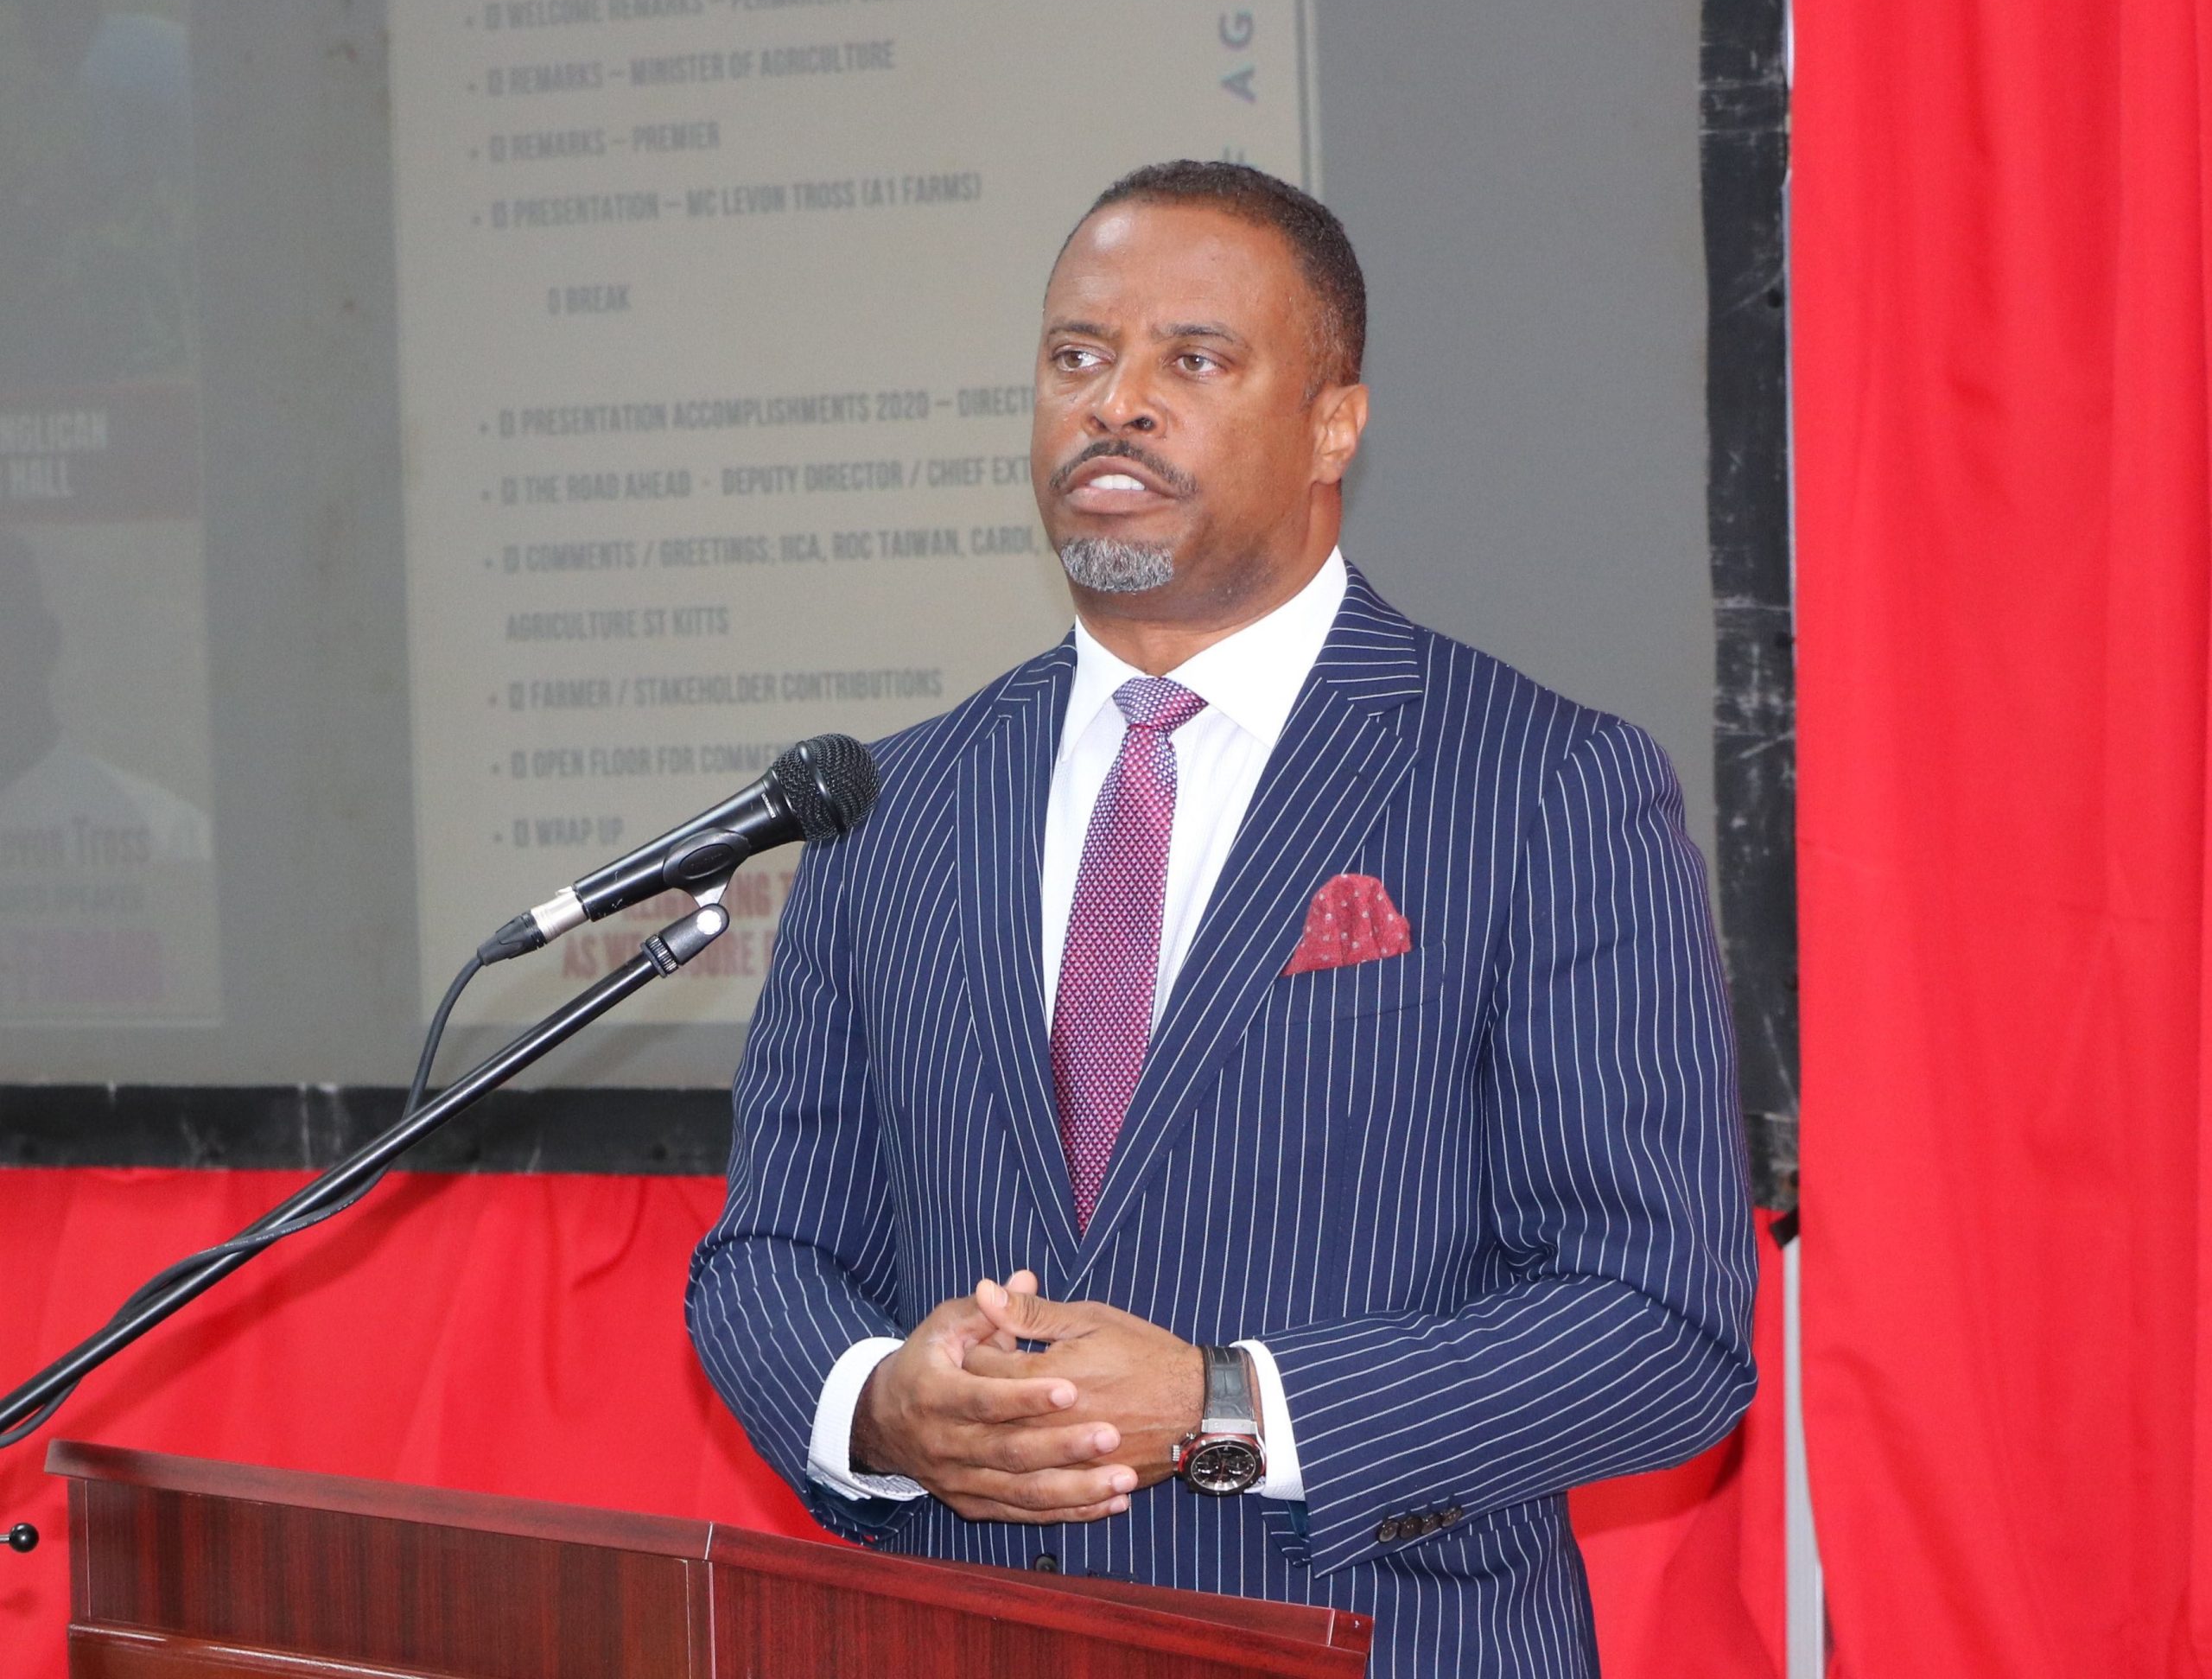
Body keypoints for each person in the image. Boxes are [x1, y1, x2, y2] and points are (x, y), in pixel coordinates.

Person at [687, 160, 1756, 1677]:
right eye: (1077, 357)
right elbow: (773, 1247)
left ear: (1334, 423)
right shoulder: (895, 804)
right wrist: (874, 1403)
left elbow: (1660, 1330)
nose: (1114, 402)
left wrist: (1224, 1406)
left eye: (1191, 359)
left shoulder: (1540, 784)